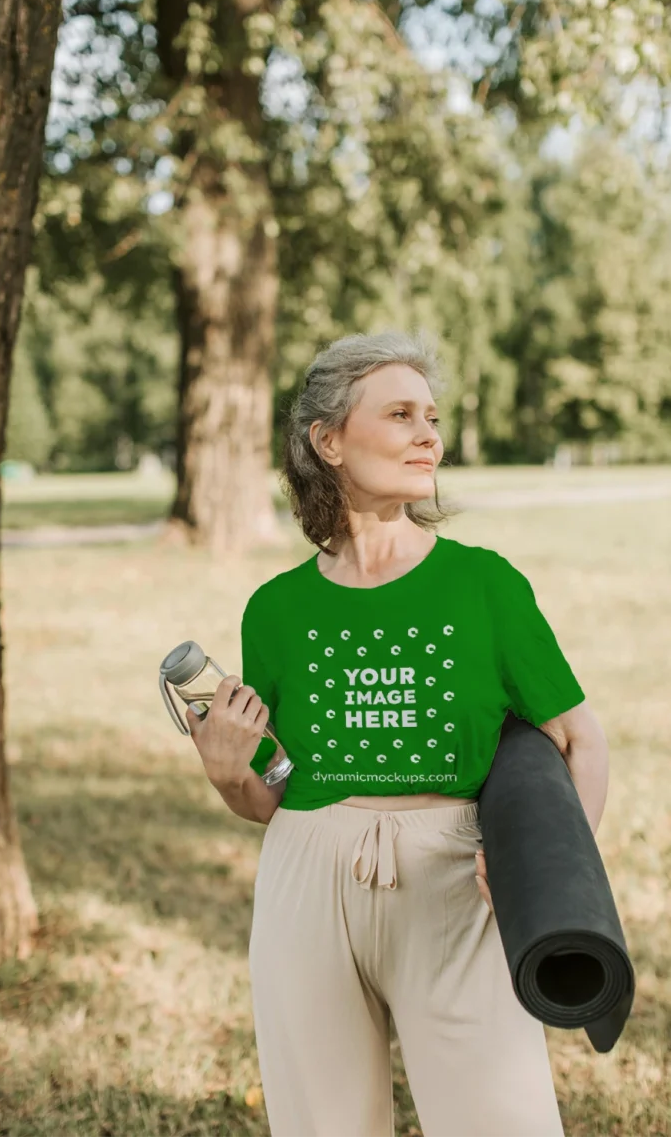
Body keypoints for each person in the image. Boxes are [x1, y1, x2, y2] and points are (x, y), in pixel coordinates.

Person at [186, 330, 605, 1137]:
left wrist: (551, 880)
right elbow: (269, 797)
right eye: (402, 414)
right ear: (329, 439)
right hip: (305, 875)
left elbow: (581, 738)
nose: (429, 436)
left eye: (433, 417)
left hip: (456, 875)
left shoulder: (485, 583)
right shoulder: (274, 610)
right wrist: (228, 771)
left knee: (501, 1120)